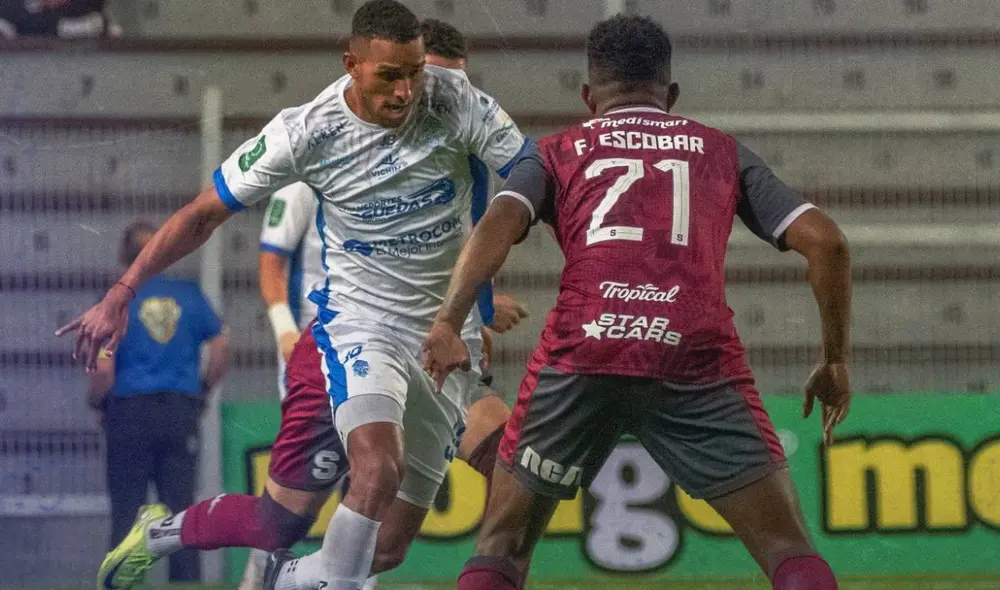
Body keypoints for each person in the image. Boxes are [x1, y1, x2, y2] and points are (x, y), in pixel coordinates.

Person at [56, 2, 533, 588]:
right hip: (356, 331)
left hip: (443, 342)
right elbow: (215, 221)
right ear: (351, 65)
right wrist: (125, 291)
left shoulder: (451, 104)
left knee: (397, 542)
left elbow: (529, 182)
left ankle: (287, 581)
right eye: (391, 75)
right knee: (335, 492)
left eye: (420, 73)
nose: (410, 92)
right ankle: (178, 539)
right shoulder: (308, 135)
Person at [421, 15, 852, 590]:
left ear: (587, 95)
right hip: (695, 360)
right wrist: (835, 358)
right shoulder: (721, 151)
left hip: (581, 353)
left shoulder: (555, 152)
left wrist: (450, 319)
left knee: (502, 547)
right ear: (670, 95)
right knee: (786, 548)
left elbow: (499, 222)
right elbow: (827, 243)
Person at [86, 220, 229, 584]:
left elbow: (103, 369)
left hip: (129, 412)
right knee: (181, 511)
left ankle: (121, 581)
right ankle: (185, 582)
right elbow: (221, 350)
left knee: (125, 511)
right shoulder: (190, 295)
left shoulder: (115, 301)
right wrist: (201, 391)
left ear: (124, 257)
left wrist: (98, 402)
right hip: (179, 410)